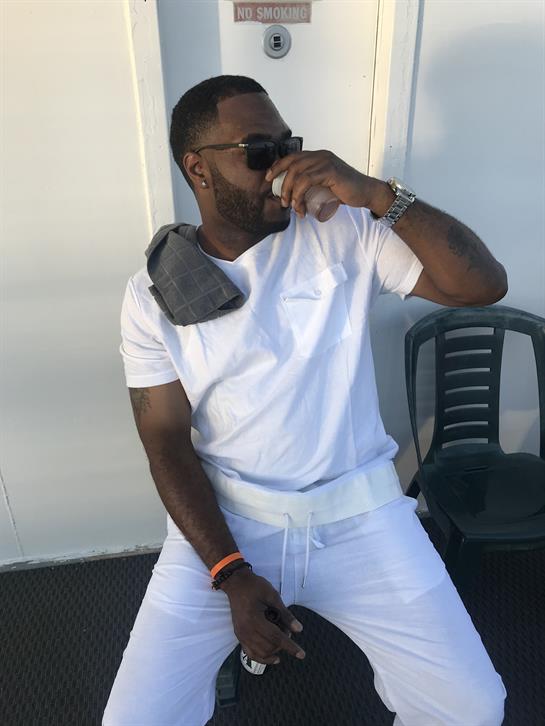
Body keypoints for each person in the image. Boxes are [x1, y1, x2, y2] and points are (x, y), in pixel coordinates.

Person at [103, 75, 508, 726]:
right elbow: (165, 442)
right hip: (230, 520)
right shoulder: (153, 296)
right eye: (259, 151)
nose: (283, 166)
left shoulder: (345, 230)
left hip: (363, 514)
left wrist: (380, 196)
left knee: (473, 708)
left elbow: (481, 286)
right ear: (198, 169)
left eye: (289, 146)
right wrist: (229, 571)